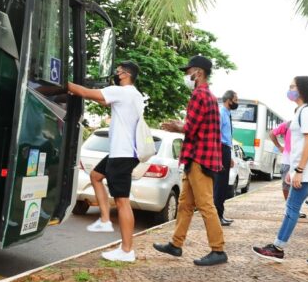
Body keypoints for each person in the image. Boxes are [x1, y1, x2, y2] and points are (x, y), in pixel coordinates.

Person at [252, 76, 308, 269]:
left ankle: (278, 247)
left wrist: (299, 171)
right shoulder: (307, 111)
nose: (290, 89)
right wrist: (294, 170)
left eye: (292, 86)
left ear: (302, 89)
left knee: (292, 208)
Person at [153, 55, 228, 266]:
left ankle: (218, 250)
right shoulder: (210, 96)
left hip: (199, 159)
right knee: (185, 204)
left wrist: (176, 126)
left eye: (189, 71)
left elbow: (190, 128)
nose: (186, 75)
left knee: (205, 205)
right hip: (199, 157)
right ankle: (176, 244)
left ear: (199, 73)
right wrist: (181, 124)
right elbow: (198, 126)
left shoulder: (199, 95)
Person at [67, 61, 143, 262]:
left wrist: (60, 83)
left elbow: (84, 92)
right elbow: (102, 100)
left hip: (122, 154)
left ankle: (127, 251)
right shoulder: (134, 95)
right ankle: (106, 220)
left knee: (122, 201)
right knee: (96, 175)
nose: (116, 74)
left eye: (118, 72)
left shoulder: (122, 92)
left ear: (126, 74)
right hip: (124, 152)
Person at [269, 112, 307, 218]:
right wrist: (279, 147)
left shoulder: (306, 126)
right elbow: (272, 133)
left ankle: (294, 208)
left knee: (298, 185)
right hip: (287, 160)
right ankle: (288, 208)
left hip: (299, 160)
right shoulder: (287, 125)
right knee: (286, 185)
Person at [214, 90, 238, 226]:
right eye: (236, 99)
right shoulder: (221, 113)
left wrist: (230, 157)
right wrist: (219, 156)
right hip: (221, 149)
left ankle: (221, 214)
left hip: (226, 150)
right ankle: (217, 217)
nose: (237, 102)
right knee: (220, 185)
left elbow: (227, 137)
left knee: (223, 185)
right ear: (229, 100)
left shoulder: (228, 114)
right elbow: (217, 135)